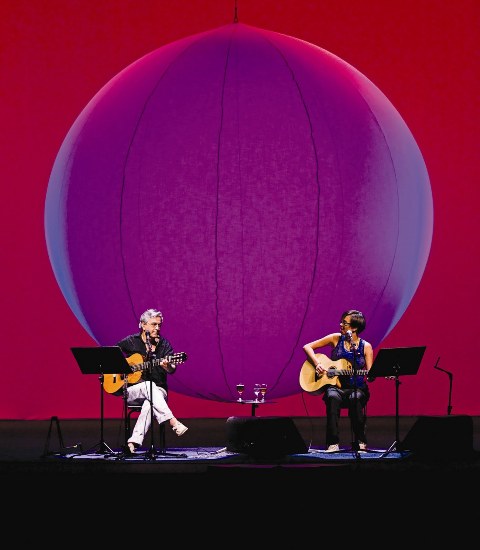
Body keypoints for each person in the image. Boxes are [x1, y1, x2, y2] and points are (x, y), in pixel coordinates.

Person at [116, 308, 188, 454]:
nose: (157, 328)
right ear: (143, 325)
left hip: (159, 391)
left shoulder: (164, 345)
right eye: (154, 324)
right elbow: (111, 356)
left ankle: (132, 443)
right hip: (131, 390)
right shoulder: (131, 341)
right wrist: (123, 369)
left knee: (150, 401)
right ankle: (173, 421)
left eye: (159, 325)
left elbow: (172, 369)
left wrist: (167, 365)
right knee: (147, 386)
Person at [303, 309, 373, 452]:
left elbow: (370, 374)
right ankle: (332, 443)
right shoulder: (335, 338)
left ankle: (360, 441)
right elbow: (307, 347)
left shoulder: (365, 347)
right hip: (336, 387)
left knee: (356, 397)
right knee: (332, 396)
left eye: (345, 323)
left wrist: (372, 375)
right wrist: (318, 364)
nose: (340, 325)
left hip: (357, 387)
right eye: (341, 321)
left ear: (354, 328)